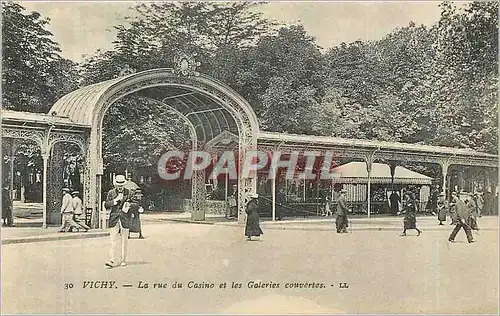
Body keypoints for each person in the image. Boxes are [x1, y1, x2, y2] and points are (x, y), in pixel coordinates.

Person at [104, 175, 133, 268]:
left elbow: (135, 203)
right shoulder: (111, 193)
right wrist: (115, 200)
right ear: (115, 185)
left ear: (124, 184)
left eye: (121, 185)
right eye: (118, 185)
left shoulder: (129, 192)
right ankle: (111, 260)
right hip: (114, 219)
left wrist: (129, 205)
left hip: (125, 218)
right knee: (112, 240)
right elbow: (106, 205)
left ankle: (123, 260)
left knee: (124, 241)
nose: (120, 187)